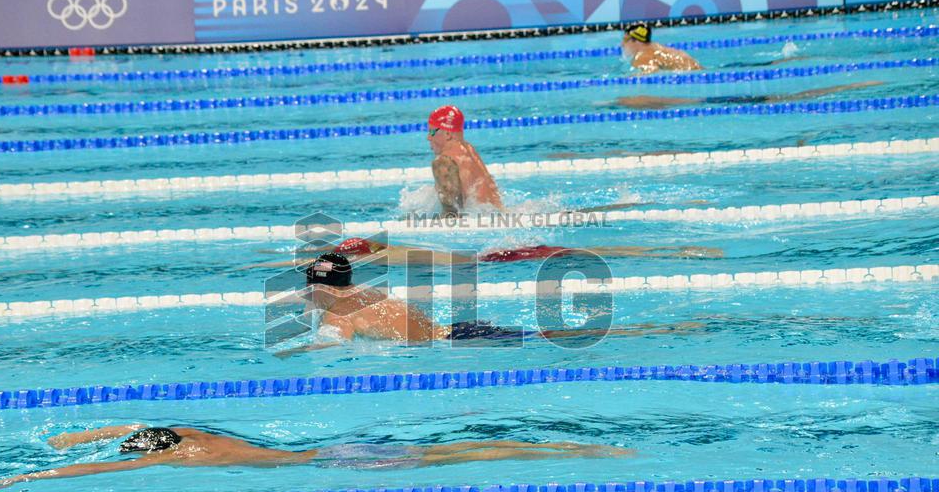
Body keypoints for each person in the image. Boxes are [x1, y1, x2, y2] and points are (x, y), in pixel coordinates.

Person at [275, 253, 702, 357]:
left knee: (562, 337)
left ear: (320, 287)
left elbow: (328, 350)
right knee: (550, 336)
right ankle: (666, 329)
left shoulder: (336, 312)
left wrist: (286, 355)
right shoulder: (372, 294)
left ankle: (662, 331)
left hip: (458, 343)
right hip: (460, 330)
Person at [0, 425, 629, 492]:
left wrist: (32, 474)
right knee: (457, 451)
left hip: (333, 466)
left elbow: (103, 468)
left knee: (455, 460)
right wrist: (66, 438)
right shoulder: (188, 434)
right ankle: (564, 446)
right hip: (330, 451)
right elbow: (129, 427)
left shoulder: (175, 462)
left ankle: (575, 450)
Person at [246, 236, 722, 270]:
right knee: (574, 250)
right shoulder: (372, 246)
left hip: (486, 262)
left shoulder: (364, 258)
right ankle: (677, 249)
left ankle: (679, 250)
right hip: (483, 255)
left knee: (571, 253)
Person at [428, 105, 504, 216]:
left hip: (480, 221)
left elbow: (451, 212)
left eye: (432, 132)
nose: (428, 137)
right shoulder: (469, 149)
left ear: (448, 134)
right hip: (497, 214)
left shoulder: (443, 162)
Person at [611, 80, 885, 111]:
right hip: (709, 101)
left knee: (787, 99)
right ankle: (845, 86)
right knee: (788, 97)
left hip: (710, 103)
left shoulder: (635, 103)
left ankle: (845, 87)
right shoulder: (642, 99)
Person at [621, 23, 701, 73]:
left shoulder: (643, 55)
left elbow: (651, 72)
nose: (622, 44)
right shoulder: (656, 48)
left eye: (625, 40)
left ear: (636, 41)